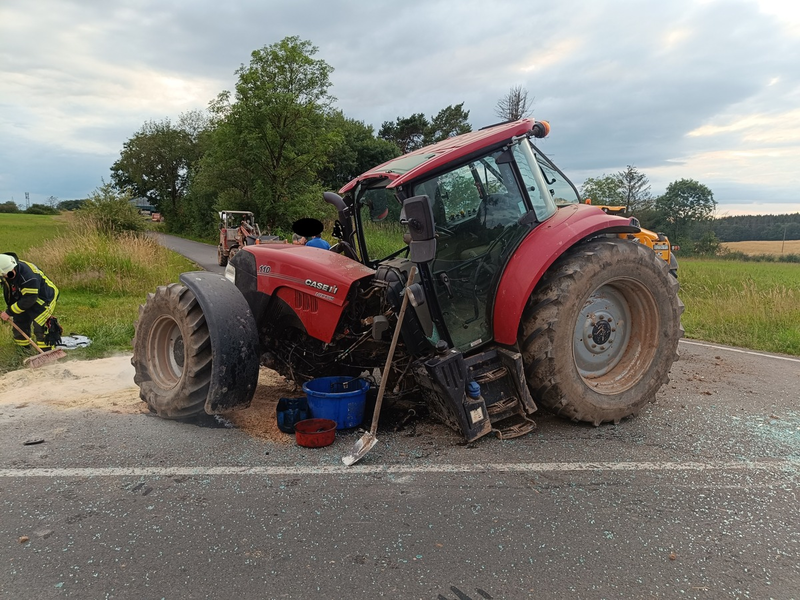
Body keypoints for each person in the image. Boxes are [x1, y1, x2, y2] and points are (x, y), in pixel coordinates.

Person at [0, 253, 60, 351]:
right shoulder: (6, 270)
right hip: (23, 296)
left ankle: (47, 352)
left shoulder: (29, 277)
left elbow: (29, 299)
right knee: (19, 320)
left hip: (44, 297)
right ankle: (23, 350)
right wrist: (13, 311)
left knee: (39, 323)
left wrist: (8, 312)